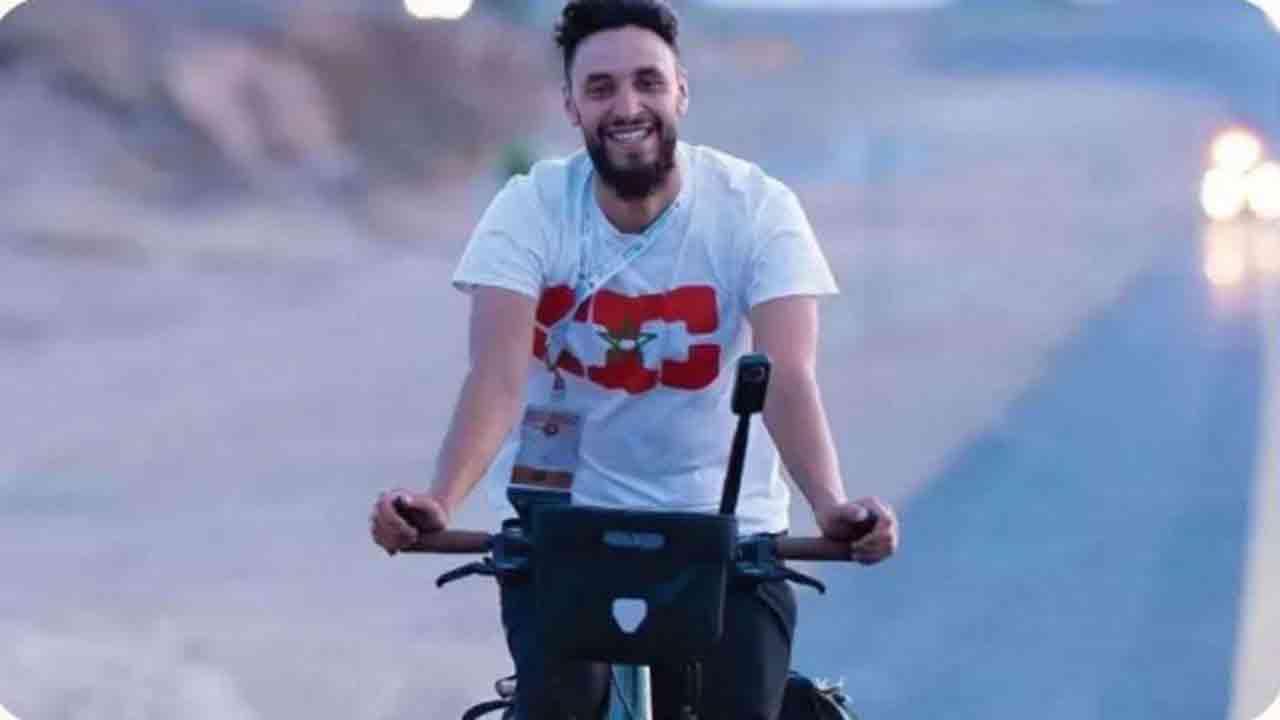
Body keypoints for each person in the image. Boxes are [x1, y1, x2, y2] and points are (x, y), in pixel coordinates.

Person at [369, 1, 899, 717]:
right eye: (601, 88)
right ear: (571, 106)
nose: (627, 107)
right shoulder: (530, 209)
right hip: (564, 532)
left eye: (648, 82)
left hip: (726, 534)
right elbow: (497, 376)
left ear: (681, 91)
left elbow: (787, 377)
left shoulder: (755, 207)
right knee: (562, 705)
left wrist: (831, 506)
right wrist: (439, 500)